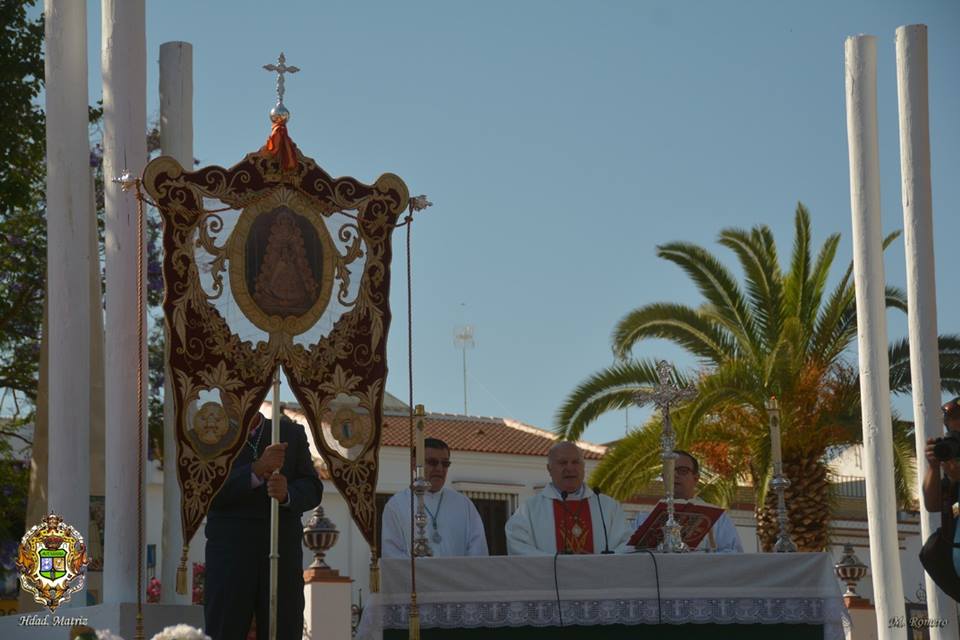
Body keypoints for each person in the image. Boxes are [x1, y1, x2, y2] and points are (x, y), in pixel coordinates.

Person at [204, 411, 323, 640]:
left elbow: (312, 487)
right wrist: (256, 469)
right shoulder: (210, 434)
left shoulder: (290, 433)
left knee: (283, 630)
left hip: (281, 554)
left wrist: (287, 494)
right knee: (224, 630)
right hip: (230, 557)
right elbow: (205, 489)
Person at [505, 441, 630, 555]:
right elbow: (518, 546)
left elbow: (627, 544)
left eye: (575, 462)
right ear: (549, 469)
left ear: (583, 466)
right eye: (563, 463)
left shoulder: (608, 507)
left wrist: (596, 562)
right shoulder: (529, 510)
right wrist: (557, 562)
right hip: (549, 573)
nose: (570, 468)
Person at [381, 437, 488, 558]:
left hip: (457, 571)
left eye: (445, 464)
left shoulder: (464, 504)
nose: (440, 468)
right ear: (414, 465)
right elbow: (392, 554)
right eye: (432, 462)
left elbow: (478, 550)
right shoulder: (397, 505)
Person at [631, 450, 742, 553]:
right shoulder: (643, 518)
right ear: (663, 477)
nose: (674, 475)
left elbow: (734, 556)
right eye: (669, 470)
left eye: (682, 471)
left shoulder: (718, 518)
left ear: (696, 478)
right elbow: (629, 555)